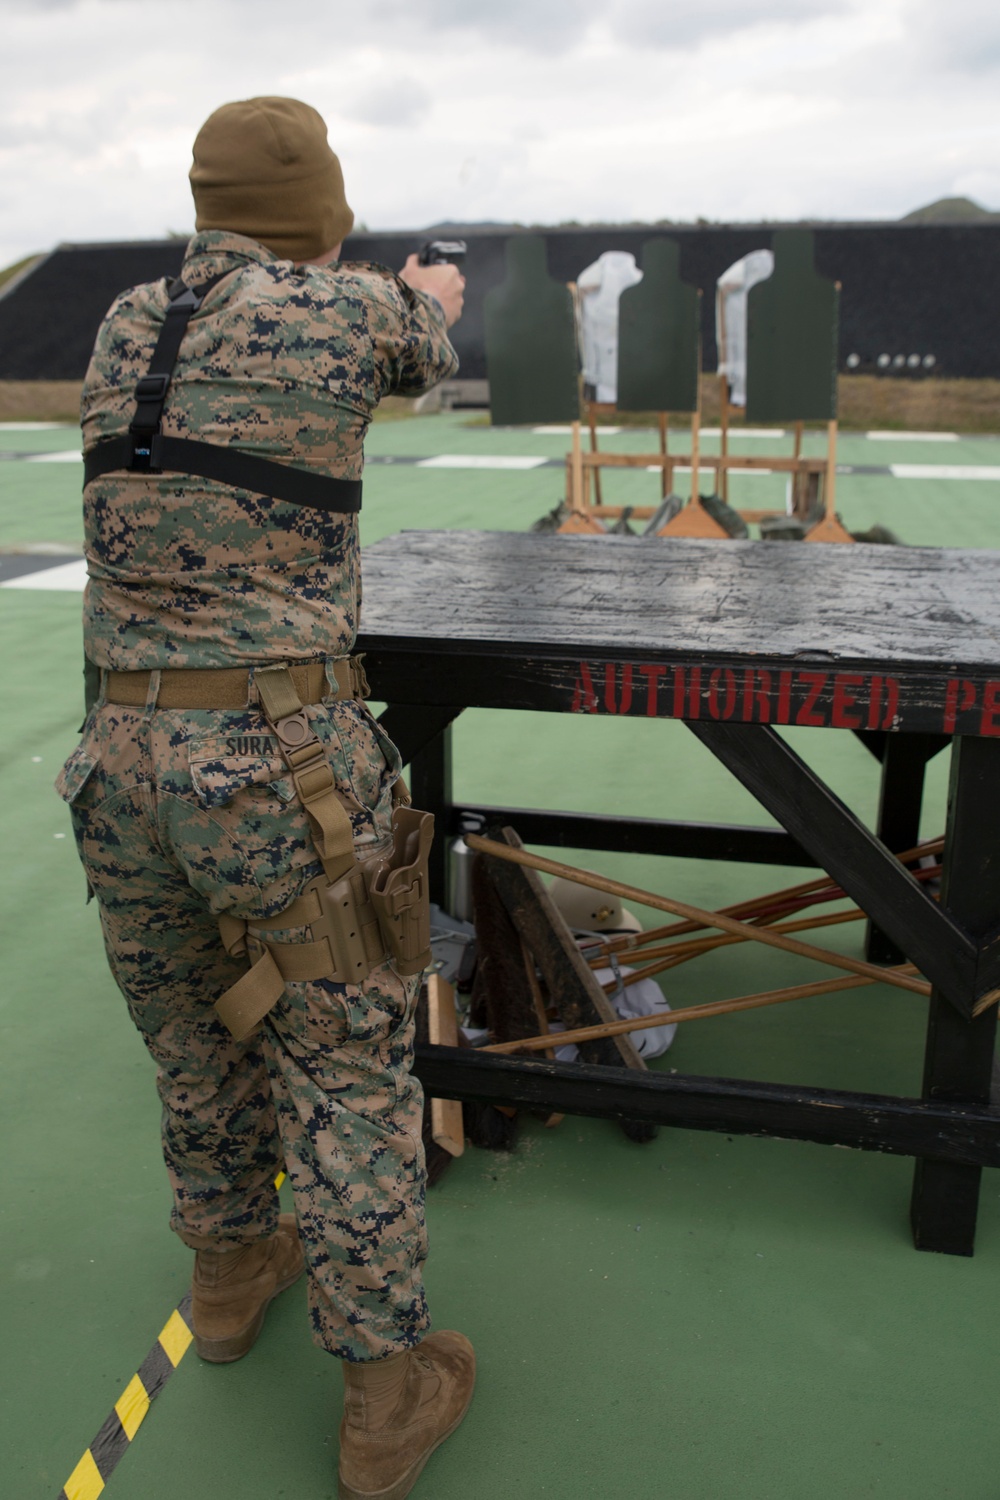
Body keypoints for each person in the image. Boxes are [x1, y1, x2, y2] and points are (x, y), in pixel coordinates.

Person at [56, 96, 474, 1500]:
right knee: (347, 1067)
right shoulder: (351, 311)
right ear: (323, 207)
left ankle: (231, 1278)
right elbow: (427, 347)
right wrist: (416, 287)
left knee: (196, 1038)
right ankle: (382, 1396)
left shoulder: (124, 320)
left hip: (120, 765)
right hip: (282, 766)